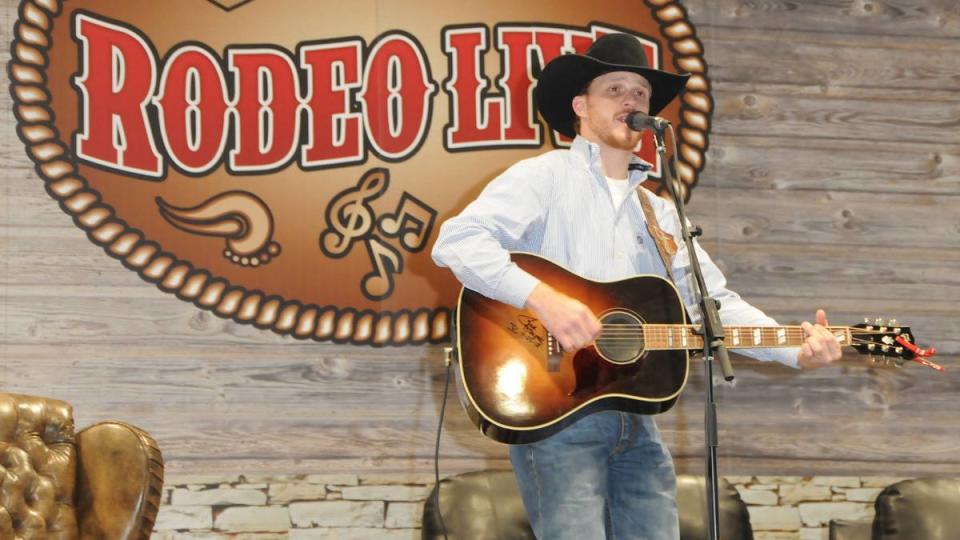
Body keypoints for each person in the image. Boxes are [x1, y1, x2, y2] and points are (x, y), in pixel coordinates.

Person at [431, 33, 841, 540]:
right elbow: (458, 241)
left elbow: (713, 305)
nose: (632, 101)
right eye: (616, 89)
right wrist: (544, 299)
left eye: (642, 94)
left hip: (637, 418)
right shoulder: (543, 178)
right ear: (580, 106)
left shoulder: (662, 211)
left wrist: (797, 349)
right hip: (556, 407)